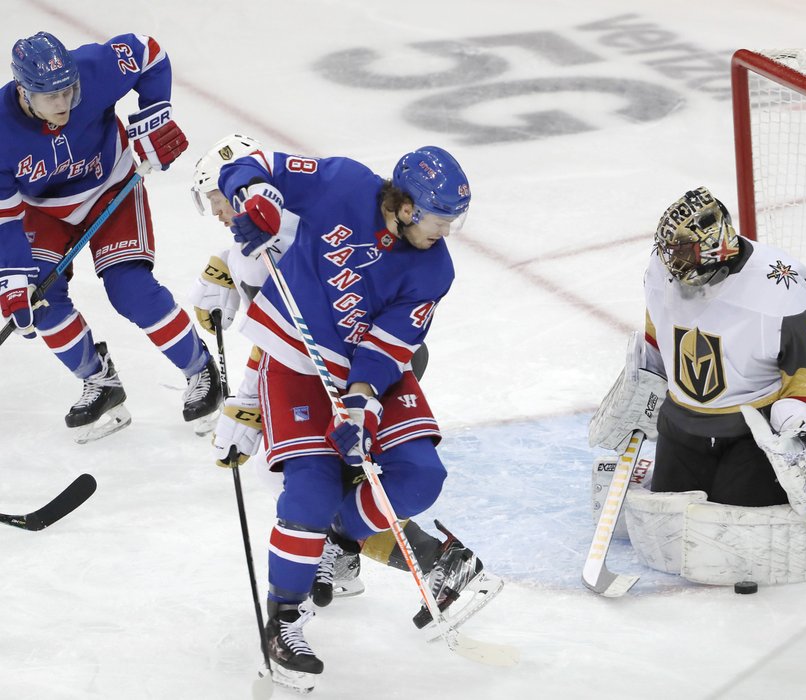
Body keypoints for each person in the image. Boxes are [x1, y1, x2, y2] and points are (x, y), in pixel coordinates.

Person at [198, 137, 494, 691]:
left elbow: (387, 347)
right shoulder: (342, 183)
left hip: (369, 371)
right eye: (438, 219)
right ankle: (284, 618)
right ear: (405, 205)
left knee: (420, 477)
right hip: (294, 361)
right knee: (308, 493)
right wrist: (255, 197)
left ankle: (342, 538)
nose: (445, 233)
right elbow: (255, 165)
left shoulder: (434, 271)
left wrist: (359, 403)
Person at [590, 187, 806, 585]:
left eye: (683, 250)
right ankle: (658, 471)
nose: (672, 260)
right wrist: (644, 383)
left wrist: (797, 414)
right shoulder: (660, 271)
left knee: (741, 531)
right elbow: (659, 332)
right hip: (683, 423)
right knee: (670, 518)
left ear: (715, 245)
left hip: (754, 428)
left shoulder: (778, 287)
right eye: (670, 250)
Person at [0, 31, 221, 442]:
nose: (64, 103)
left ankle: (200, 370)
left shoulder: (93, 69)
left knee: (131, 290)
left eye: (69, 90)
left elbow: (150, 53)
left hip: (113, 189)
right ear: (23, 91)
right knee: (39, 300)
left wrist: (154, 119)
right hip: (45, 211)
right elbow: (5, 218)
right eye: (51, 96)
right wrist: (13, 280)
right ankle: (100, 382)